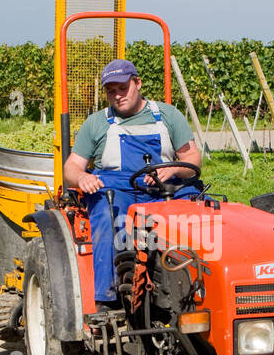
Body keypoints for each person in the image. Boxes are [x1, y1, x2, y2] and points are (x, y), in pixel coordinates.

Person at [63, 58, 202, 303]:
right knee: (107, 216)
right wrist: (82, 176)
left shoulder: (168, 115)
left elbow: (193, 159)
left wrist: (172, 169)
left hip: (166, 188)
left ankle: (199, 287)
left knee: (203, 215)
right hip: (118, 190)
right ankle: (107, 300)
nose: (117, 95)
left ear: (137, 83)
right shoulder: (97, 123)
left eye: (122, 88)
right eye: (111, 91)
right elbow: (71, 166)